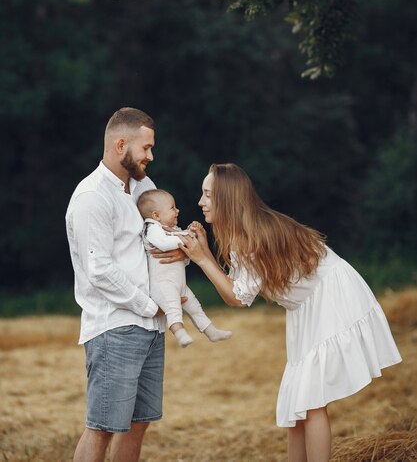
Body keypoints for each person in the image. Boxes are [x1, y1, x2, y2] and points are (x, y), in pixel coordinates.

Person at [171, 163, 402, 462]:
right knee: (300, 401)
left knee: (312, 399)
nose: (200, 202)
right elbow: (237, 288)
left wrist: (203, 260)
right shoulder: (248, 228)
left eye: (207, 195)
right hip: (307, 306)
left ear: (227, 199)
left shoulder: (249, 237)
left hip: (330, 297)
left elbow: (238, 300)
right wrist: (204, 252)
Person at [65, 108, 185, 462]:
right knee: (101, 426)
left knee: (138, 423)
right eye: (146, 148)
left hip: (150, 326)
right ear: (121, 145)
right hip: (114, 326)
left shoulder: (144, 188)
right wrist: (151, 305)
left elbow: (155, 239)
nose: (151, 156)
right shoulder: (92, 197)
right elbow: (99, 270)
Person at [138, 188, 232, 348]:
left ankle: (211, 331)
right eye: (172, 207)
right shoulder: (152, 229)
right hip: (163, 284)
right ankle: (180, 334)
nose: (177, 210)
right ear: (156, 215)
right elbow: (165, 244)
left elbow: (187, 242)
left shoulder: (171, 230)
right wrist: (185, 239)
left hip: (179, 283)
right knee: (173, 309)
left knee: (195, 307)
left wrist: (192, 232)